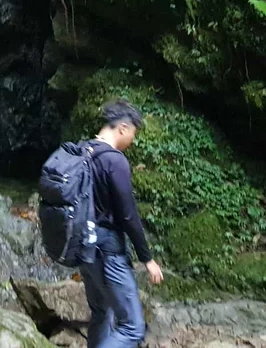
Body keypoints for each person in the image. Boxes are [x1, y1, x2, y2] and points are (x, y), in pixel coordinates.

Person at [80, 99, 164, 348]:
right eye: (133, 134)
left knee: (102, 313)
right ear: (123, 128)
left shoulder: (83, 152)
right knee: (132, 327)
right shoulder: (114, 161)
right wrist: (147, 258)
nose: (132, 141)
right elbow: (128, 215)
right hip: (108, 250)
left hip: (85, 247)